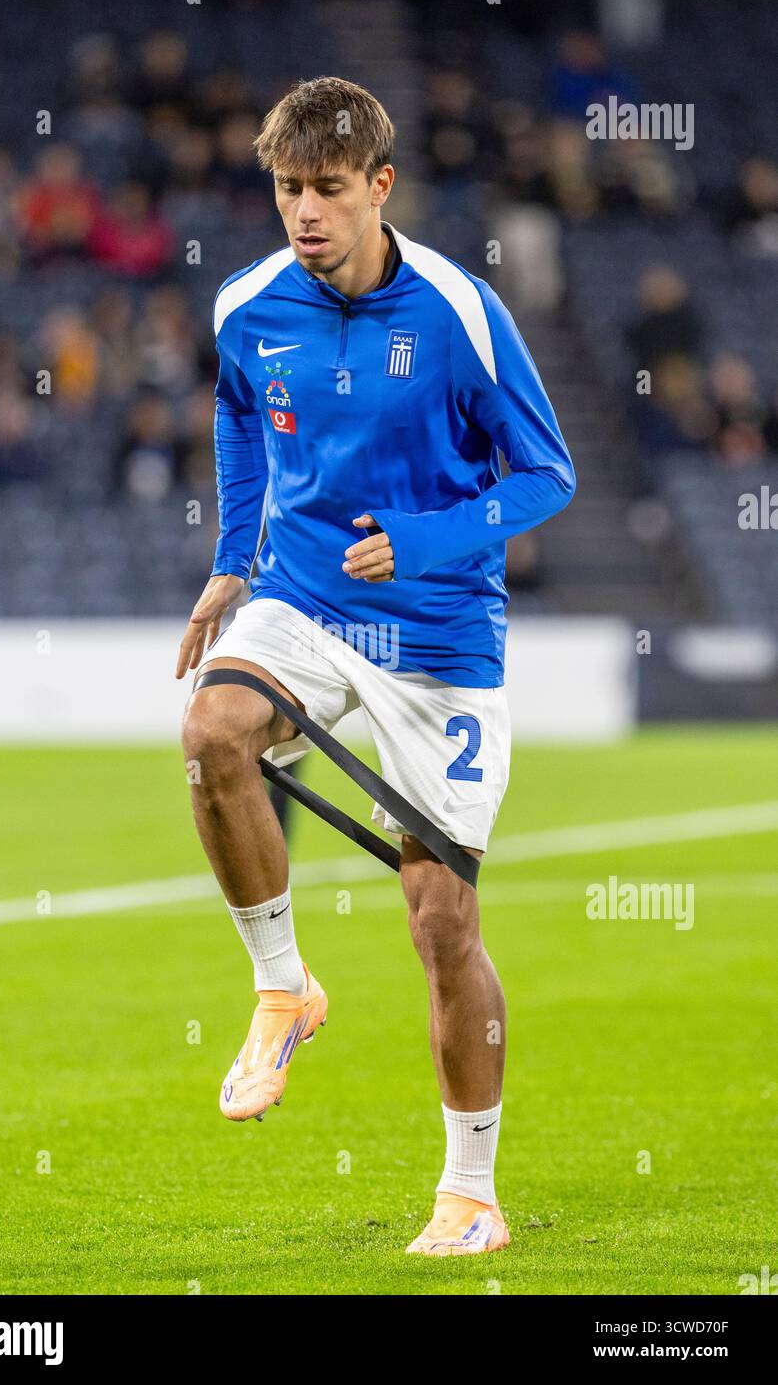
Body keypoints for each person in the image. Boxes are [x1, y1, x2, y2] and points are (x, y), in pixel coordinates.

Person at [175, 77, 575, 1257]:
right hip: (300, 597)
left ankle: (469, 1193)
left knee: (439, 921)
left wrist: (431, 536)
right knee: (210, 735)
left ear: (379, 187)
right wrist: (231, 562)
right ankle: (283, 986)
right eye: (288, 188)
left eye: (328, 190)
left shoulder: (457, 309)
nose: (304, 212)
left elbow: (546, 474)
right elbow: (240, 418)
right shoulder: (245, 305)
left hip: (441, 633)